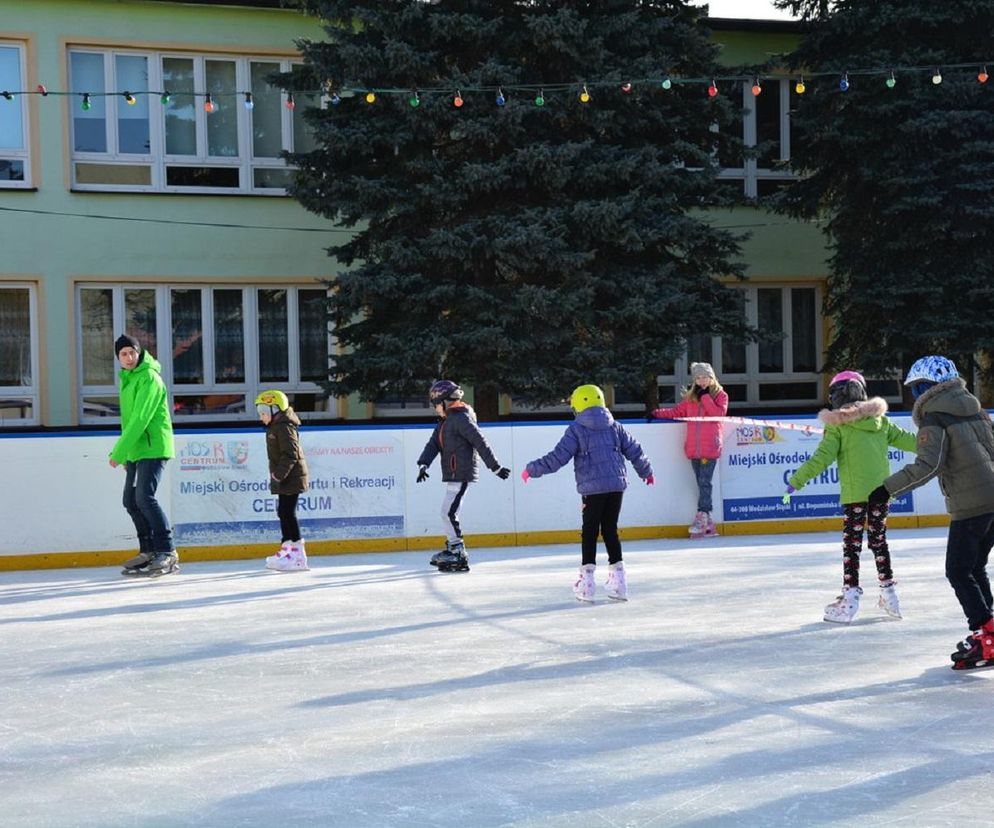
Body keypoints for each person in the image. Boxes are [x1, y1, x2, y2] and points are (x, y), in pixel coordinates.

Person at [868, 356, 994, 669]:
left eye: (916, 388)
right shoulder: (976, 409)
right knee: (974, 566)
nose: (914, 395)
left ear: (927, 387)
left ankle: (987, 635)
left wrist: (885, 490)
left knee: (958, 570)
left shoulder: (934, 417)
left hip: (972, 504)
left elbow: (929, 464)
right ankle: (989, 632)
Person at [783, 371, 917, 623]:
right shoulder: (881, 421)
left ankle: (851, 598)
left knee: (852, 545)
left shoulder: (838, 426)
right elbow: (912, 442)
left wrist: (795, 481)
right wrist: (941, 441)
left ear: (835, 396)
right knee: (878, 541)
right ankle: (890, 594)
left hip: (855, 496)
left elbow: (821, 459)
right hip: (881, 494)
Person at [522, 384, 654, 602]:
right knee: (610, 529)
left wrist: (532, 469)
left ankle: (587, 584)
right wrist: (646, 472)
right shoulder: (615, 427)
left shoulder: (576, 429)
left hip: (592, 490)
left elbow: (558, 457)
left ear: (577, 406)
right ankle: (619, 583)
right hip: (615, 486)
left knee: (590, 531)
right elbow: (635, 450)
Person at [415, 380, 510, 572]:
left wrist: (495, 467)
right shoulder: (445, 421)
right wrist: (423, 463)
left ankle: (458, 551)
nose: (435, 409)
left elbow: (480, 442)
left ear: (446, 402)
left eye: (436, 405)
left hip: (461, 472)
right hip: (453, 473)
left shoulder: (461, 419)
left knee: (447, 513)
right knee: (448, 512)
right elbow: (433, 444)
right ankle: (454, 548)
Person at [109, 334, 179, 577]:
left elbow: (141, 419)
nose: (129, 358)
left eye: (132, 352)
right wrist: (128, 454)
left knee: (144, 497)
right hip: (138, 450)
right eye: (123, 354)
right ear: (118, 358)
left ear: (139, 353)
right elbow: (128, 421)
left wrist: (118, 452)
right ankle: (148, 550)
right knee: (130, 500)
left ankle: (167, 551)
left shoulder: (149, 377)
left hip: (154, 446)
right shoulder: (127, 379)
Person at [649, 362, 728, 538]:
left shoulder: (720, 396)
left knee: (705, 482)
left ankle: (702, 516)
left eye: (705, 377)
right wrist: (655, 413)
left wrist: (706, 397)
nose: (702, 381)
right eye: (698, 378)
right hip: (694, 448)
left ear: (711, 377)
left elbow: (718, 415)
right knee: (701, 483)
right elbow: (675, 412)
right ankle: (709, 525)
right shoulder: (690, 398)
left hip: (710, 447)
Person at [256, 390, 310, 572]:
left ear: (275, 410)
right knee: (283, 512)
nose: (261, 417)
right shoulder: (276, 425)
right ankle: (288, 550)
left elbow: (291, 454)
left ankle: (297, 556)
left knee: (287, 512)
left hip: (291, 476)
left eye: (263, 413)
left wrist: (279, 475)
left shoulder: (284, 426)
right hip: (286, 477)